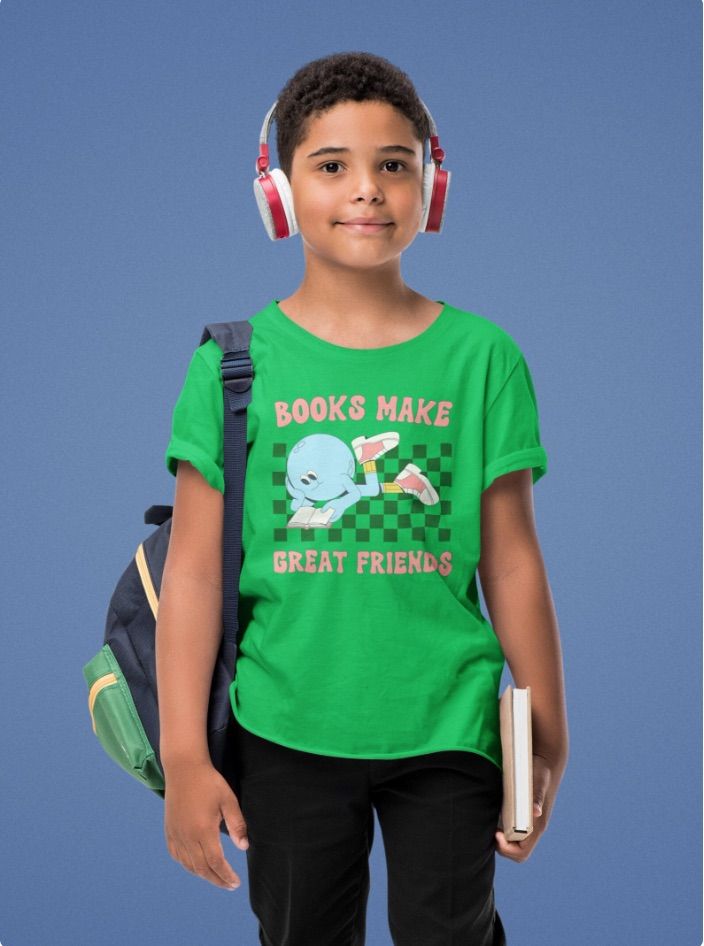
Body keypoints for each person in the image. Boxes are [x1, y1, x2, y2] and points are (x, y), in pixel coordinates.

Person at [155, 50, 569, 946]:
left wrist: (546, 729)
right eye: (332, 165)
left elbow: (512, 558)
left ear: (432, 185)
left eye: (395, 163)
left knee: (450, 932)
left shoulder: (481, 357)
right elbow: (190, 574)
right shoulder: (230, 364)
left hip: (448, 724)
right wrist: (185, 756)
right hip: (286, 724)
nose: (368, 188)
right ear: (279, 194)